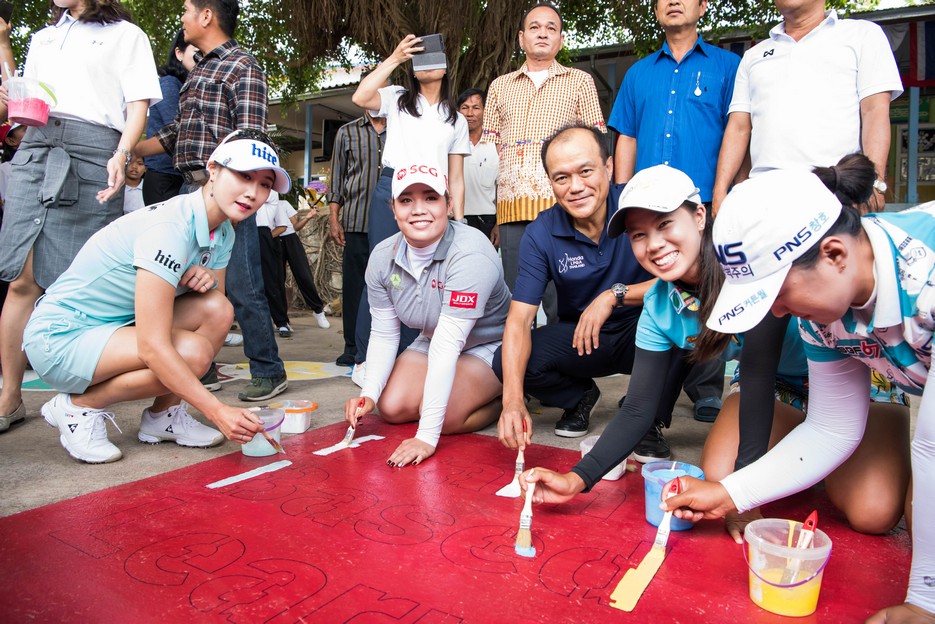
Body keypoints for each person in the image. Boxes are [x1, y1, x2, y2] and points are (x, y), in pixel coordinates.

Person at [520, 162, 909, 544]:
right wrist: (577, 478)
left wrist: (745, 497)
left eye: (665, 224)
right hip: (781, 389)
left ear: (700, 215)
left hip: (847, 380)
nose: (654, 244)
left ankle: (821, 457)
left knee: (871, 511)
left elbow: (757, 376)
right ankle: (799, 451)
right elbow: (638, 409)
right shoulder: (658, 306)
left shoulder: (746, 271)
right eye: (638, 235)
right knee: (719, 473)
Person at [657, 168, 933, 623]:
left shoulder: (927, 282)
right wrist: (729, 493)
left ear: (835, 254)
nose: (778, 313)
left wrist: (925, 601)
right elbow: (831, 427)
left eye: (778, 295)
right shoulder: (822, 310)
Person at [23, 132, 291, 464]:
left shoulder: (222, 231)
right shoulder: (170, 227)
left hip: (114, 329)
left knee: (217, 310)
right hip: (60, 338)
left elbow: (213, 309)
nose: (253, 192)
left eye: (265, 184)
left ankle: (164, 416)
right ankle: (77, 407)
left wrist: (195, 280)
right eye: (244, 176)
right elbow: (153, 346)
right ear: (213, 169)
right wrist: (217, 410)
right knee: (192, 354)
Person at [0, 0, 160, 433]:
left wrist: (122, 153)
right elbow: (28, 99)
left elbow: (137, 106)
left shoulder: (128, 35)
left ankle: (76, 402)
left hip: (94, 154)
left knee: (75, 280)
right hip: (36, 147)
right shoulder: (44, 37)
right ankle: (10, 396)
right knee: (20, 279)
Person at [135, 0, 288, 402]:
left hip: (227, 192)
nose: (181, 18)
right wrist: (127, 145)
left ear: (207, 15)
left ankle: (268, 371)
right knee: (192, 288)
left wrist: (238, 196)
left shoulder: (242, 66)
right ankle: (200, 369)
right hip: (191, 192)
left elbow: (252, 136)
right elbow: (173, 136)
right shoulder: (198, 71)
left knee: (242, 286)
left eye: (186, 9)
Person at [608, 0, 742, 424]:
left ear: (704, 6)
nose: (674, 1)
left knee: (712, 288)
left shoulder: (728, 67)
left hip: (705, 203)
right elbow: (625, 137)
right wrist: (621, 196)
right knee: (661, 291)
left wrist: (728, 195)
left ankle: (706, 388)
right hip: (647, 209)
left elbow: (738, 133)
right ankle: (649, 391)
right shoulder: (639, 74)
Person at [493, 125, 655, 446]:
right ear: (550, 183)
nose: (576, 187)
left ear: (608, 167)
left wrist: (614, 296)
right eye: (562, 177)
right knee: (507, 361)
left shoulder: (640, 206)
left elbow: (685, 281)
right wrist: (511, 401)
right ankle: (578, 396)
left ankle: (649, 413)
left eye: (586, 171)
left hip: (644, 333)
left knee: (691, 324)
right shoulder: (542, 232)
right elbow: (520, 319)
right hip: (584, 340)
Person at [343, 163, 511, 467]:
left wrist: (427, 436)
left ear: (448, 205)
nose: (418, 209)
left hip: (491, 343)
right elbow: (384, 333)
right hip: (434, 336)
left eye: (430, 198)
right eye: (406, 200)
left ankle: (509, 398)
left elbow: (449, 346)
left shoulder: (470, 252)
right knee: (390, 407)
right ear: (393, 210)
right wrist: (368, 393)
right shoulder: (382, 257)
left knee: (444, 416)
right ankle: (460, 394)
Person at [350, 34, 471, 375]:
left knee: (422, 277)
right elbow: (360, 96)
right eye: (419, 57)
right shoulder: (398, 99)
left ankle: (405, 361)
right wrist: (394, 58)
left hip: (434, 197)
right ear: (413, 69)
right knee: (383, 270)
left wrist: (458, 221)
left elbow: (457, 177)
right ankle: (365, 361)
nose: (427, 62)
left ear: (446, 64)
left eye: (435, 55)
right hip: (393, 188)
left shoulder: (456, 119)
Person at [711, 0, 902, 215]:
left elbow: (874, 111)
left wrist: (875, 184)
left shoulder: (863, 35)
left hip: (836, 194)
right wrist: (720, 193)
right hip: (764, 199)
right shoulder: (754, 55)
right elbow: (739, 127)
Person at [482, 1, 606, 322]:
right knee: (516, 298)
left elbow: (595, 141)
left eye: (551, 28)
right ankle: (519, 370)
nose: (543, 34)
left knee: (562, 297)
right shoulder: (499, 86)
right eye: (535, 27)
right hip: (511, 206)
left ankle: (566, 366)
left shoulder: (579, 81)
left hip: (562, 205)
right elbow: (489, 147)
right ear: (522, 38)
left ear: (560, 40)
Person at [327, 112, 385, 367]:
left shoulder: (402, 127)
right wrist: (333, 218)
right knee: (354, 287)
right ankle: (351, 345)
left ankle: (386, 345)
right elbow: (337, 179)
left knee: (394, 284)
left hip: (393, 224)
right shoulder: (347, 132)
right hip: (357, 221)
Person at [143, 29, 197, 205]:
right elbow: (178, 131)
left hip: (181, 177)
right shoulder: (169, 83)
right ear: (179, 53)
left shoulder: (189, 85)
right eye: (197, 53)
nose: (202, 59)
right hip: (164, 177)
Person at [277, 193, 329, 329]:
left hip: (291, 239)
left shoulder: (283, 204)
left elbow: (295, 226)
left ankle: (318, 310)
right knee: (277, 280)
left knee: (304, 275)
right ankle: (282, 320)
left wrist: (307, 217)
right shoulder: (259, 207)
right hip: (273, 241)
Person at [457, 88, 498, 245]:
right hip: (455, 219)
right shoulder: (450, 144)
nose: (470, 113)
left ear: (485, 111)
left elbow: (501, 187)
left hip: (487, 220)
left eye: (476, 107)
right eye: (465, 107)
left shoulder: (495, 145)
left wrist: (498, 225)